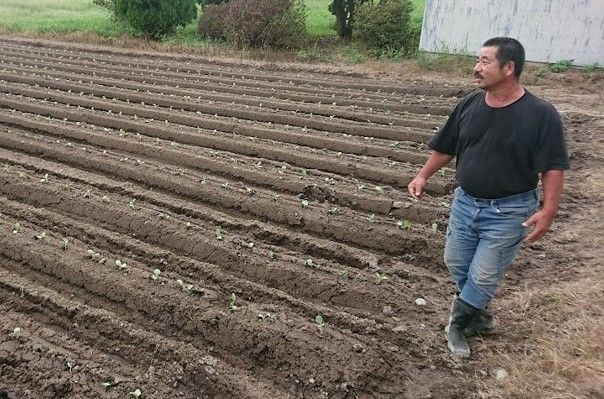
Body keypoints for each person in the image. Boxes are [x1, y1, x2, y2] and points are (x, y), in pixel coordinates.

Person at [407, 37, 570, 358]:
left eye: (484, 62)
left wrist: (548, 209)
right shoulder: (470, 104)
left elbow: (553, 166)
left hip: (510, 210)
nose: (476, 68)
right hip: (466, 203)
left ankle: (456, 324)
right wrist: (423, 175)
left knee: (483, 274)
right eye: (477, 60)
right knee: (456, 262)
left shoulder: (540, 114)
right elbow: (447, 147)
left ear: (509, 68)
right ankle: (478, 315)